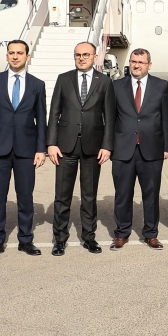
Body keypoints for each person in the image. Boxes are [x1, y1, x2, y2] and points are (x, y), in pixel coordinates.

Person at [46, 41, 115, 256]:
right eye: (78, 55)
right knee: (62, 196)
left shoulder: (104, 82)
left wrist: (106, 146)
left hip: (92, 147)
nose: (82, 58)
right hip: (65, 147)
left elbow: (110, 117)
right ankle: (59, 238)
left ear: (95, 57)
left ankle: (89, 237)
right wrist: (51, 143)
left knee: (89, 196)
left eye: (86, 55)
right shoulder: (64, 79)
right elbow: (54, 112)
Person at [110, 48, 168, 250]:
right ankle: (122, 233)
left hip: (152, 149)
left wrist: (166, 146)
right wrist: (109, 146)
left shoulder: (161, 86)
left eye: (141, 62)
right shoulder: (117, 86)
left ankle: (151, 234)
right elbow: (110, 119)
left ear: (149, 65)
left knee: (151, 194)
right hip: (123, 149)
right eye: (133, 61)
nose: (136, 65)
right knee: (122, 194)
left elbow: (165, 118)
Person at [0, 41, 47, 258]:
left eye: (19, 53)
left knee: (25, 197)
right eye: (11, 53)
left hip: (26, 150)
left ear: (27, 56)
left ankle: (25, 240)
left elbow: (41, 119)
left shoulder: (37, 84)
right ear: (6, 56)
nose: (15, 57)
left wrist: (40, 149)